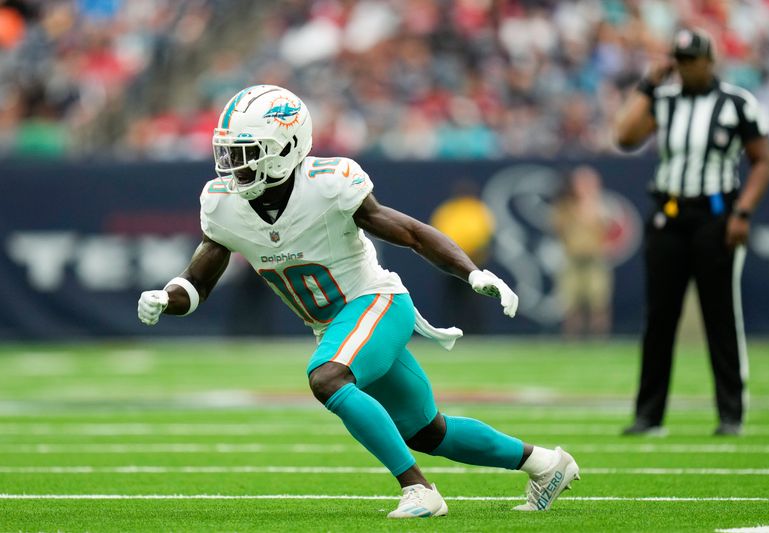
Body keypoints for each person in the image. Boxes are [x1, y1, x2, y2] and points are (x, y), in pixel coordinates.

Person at [137, 85, 580, 517]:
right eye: (229, 153)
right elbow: (197, 281)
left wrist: (472, 271)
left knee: (327, 377)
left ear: (287, 148)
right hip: (336, 326)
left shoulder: (328, 183)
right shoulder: (223, 205)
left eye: (247, 152)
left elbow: (409, 232)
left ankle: (419, 489)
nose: (234, 166)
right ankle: (546, 464)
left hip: (377, 303)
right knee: (427, 431)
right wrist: (166, 296)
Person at [614, 29, 769, 436]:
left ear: (709, 61)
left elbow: (762, 161)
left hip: (716, 215)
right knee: (659, 318)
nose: (686, 69)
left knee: (720, 316)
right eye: (680, 61)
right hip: (669, 213)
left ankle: (731, 414)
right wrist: (649, 82)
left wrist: (743, 212)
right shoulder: (664, 100)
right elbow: (624, 136)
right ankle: (649, 416)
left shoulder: (737, 103)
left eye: (692, 61)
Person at [551, 166, 613, 338]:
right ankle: (572, 341)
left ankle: (599, 340)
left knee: (598, 302)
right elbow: (557, 227)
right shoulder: (565, 206)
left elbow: (608, 228)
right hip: (572, 259)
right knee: (570, 303)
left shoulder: (600, 205)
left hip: (594, 259)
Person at [429, 179, 495, 333]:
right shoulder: (470, 210)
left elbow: (484, 237)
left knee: (470, 300)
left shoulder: (469, 210)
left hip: (460, 260)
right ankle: (457, 328)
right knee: (456, 299)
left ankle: (471, 330)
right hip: (461, 261)